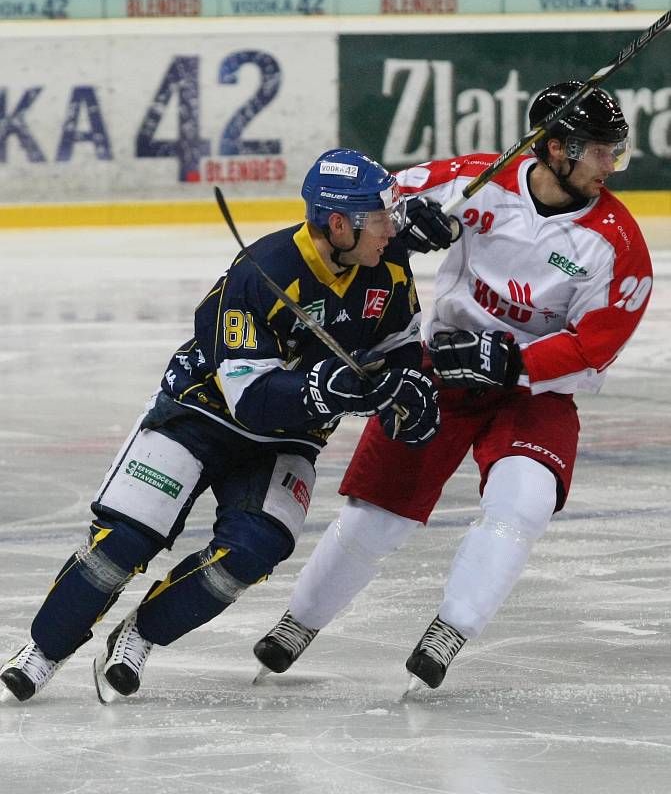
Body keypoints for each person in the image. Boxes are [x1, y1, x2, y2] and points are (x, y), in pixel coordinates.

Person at [0, 149, 442, 704]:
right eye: (380, 217)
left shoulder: (387, 268)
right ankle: (44, 649)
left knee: (254, 549)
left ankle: (140, 634)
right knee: (124, 541)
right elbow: (251, 399)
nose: (391, 229)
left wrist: (407, 389)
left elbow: (398, 347)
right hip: (200, 413)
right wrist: (326, 387)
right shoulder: (261, 273)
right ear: (338, 224)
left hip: (288, 439)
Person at [252, 81, 654, 690]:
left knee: (524, 502)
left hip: (534, 394)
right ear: (552, 149)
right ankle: (297, 624)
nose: (610, 166)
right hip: (437, 373)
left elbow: (593, 349)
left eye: (614, 152)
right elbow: (371, 207)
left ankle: (449, 630)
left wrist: (511, 364)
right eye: (599, 151)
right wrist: (407, 220)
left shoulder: (618, 247)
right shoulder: (477, 181)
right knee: (375, 517)